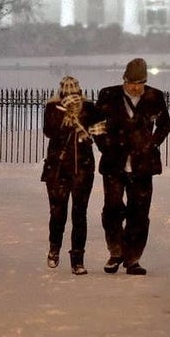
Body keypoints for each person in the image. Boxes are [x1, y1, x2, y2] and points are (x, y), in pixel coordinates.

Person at [94, 57, 170, 275]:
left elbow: (165, 125)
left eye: (140, 83)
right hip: (114, 163)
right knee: (112, 209)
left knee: (139, 213)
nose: (136, 87)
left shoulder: (155, 97)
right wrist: (105, 146)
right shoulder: (109, 95)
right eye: (132, 83)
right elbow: (96, 124)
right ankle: (115, 251)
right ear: (124, 80)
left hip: (143, 165)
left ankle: (133, 258)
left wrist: (151, 144)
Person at [41, 75, 102, 273]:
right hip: (58, 168)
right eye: (67, 93)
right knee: (57, 212)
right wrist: (67, 120)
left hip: (82, 167)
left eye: (74, 93)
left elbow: (100, 131)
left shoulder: (88, 108)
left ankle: (78, 258)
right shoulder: (53, 108)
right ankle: (54, 247)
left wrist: (92, 130)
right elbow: (49, 131)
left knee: (79, 214)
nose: (70, 96)